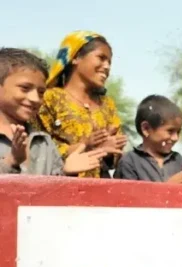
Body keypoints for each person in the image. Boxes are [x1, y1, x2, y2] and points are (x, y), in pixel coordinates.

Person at [0, 48, 106, 175]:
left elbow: (54, 184)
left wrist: (67, 172)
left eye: (41, 92)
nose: (35, 98)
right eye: (25, 88)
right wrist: (11, 162)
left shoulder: (44, 142)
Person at [37, 31, 127, 178]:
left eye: (109, 62)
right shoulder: (49, 98)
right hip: (61, 186)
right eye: (101, 58)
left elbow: (114, 160)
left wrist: (110, 150)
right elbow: (37, 150)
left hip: (101, 187)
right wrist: (85, 145)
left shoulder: (107, 104)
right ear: (75, 57)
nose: (107, 66)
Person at [114, 95, 182, 184]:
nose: (176, 138)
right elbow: (128, 193)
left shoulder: (178, 160)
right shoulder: (130, 162)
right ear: (146, 129)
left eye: (178, 132)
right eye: (170, 131)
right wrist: (169, 186)